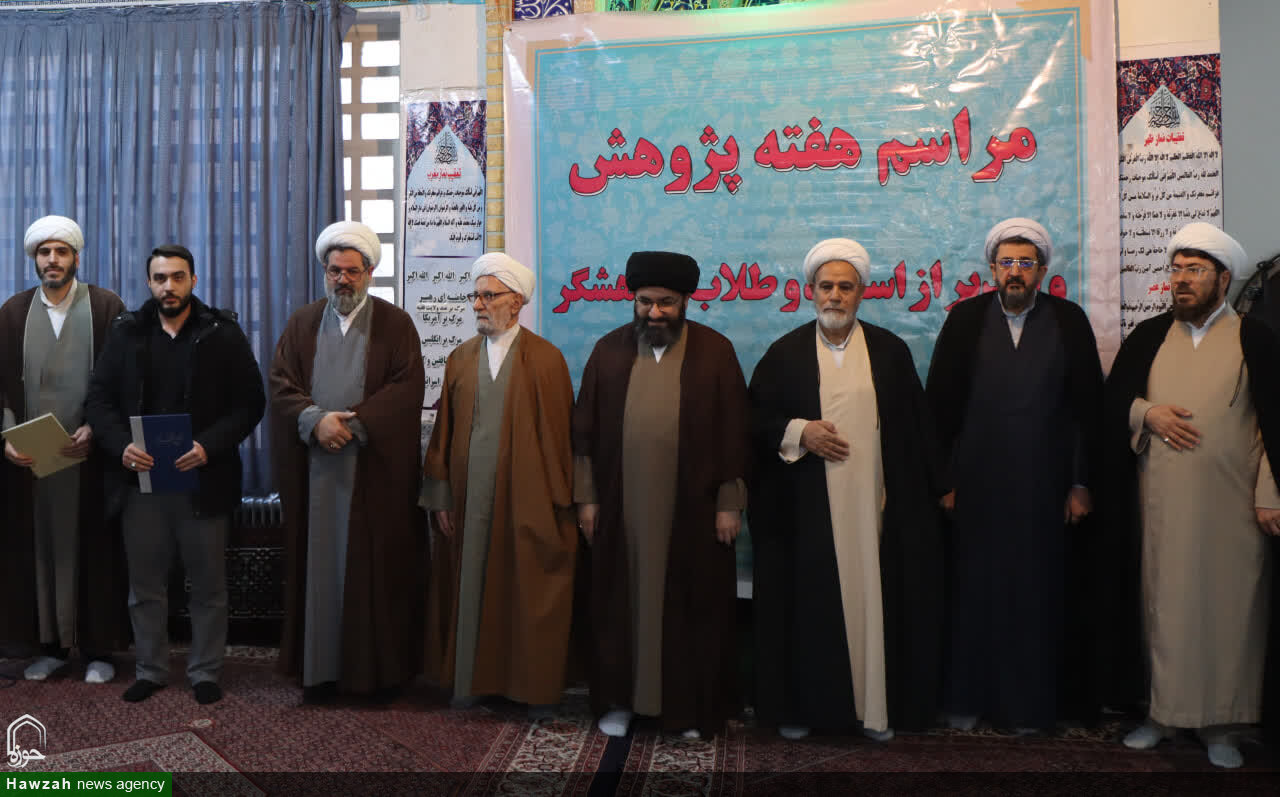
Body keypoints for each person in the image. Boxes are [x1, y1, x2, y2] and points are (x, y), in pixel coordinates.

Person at [748, 238, 944, 742]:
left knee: (877, 603)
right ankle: (804, 710)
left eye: (845, 287)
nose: (834, 296)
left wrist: (939, 488)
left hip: (876, 512)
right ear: (810, 291)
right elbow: (754, 421)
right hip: (807, 513)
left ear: (861, 293)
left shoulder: (889, 352)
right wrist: (799, 432)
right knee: (808, 606)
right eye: (826, 287)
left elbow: (918, 430)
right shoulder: (785, 353)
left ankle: (873, 710)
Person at [1105, 222, 1280, 768]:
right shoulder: (1150, 336)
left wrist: (1270, 493)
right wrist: (1147, 413)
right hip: (1162, 505)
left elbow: (1274, 424)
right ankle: (1161, 716)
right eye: (1176, 270)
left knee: (1230, 613)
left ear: (1223, 279)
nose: (1181, 280)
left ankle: (1221, 725)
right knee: (1165, 609)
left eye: (1195, 270)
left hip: (1234, 510)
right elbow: (1110, 402)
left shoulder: (1255, 338)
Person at [925, 218, 1103, 733]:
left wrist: (1080, 484)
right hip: (976, 489)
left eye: (1026, 263)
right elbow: (940, 408)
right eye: (1007, 262)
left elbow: (1086, 412)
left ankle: (1028, 708)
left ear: (1042, 271)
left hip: (1044, 490)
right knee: (974, 593)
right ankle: (967, 699)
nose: (1016, 272)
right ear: (992, 269)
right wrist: (945, 483)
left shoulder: (1069, 321)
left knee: (1035, 597)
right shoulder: (966, 320)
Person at [573, 250, 749, 739]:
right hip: (620, 511)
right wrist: (587, 499)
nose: (655, 312)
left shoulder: (715, 352)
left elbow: (734, 433)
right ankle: (619, 703)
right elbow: (584, 432)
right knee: (617, 607)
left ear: (685, 301)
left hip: (693, 512)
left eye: (666, 302)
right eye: (645, 301)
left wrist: (729, 503)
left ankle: (686, 710)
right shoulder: (608, 351)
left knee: (693, 609)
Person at [85, 244, 264, 704]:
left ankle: (205, 672)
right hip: (140, 484)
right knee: (145, 587)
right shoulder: (126, 332)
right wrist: (121, 446)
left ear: (193, 281)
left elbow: (250, 403)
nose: (169, 286)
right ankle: (150, 669)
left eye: (178, 277)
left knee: (208, 587)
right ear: (149, 282)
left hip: (204, 480)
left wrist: (208, 446)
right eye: (160, 278)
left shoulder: (221, 332)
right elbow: (98, 401)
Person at [270, 221, 425, 701]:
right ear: (325, 271)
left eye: (352, 271)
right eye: (334, 271)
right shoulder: (301, 323)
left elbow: (405, 389)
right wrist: (315, 421)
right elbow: (280, 384)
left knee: (371, 574)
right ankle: (319, 674)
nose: (343, 280)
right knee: (317, 573)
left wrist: (351, 425)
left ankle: (369, 678)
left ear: (370, 272)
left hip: (371, 474)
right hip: (314, 472)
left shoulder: (396, 325)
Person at [422, 253, 577, 717]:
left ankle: (532, 691)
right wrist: (441, 496)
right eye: (475, 295)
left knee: (527, 589)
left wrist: (558, 507)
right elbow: (443, 434)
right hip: (469, 501)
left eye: (489, 296)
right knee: (470, 585)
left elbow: (561, 441)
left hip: (528, 502)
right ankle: (471, 682)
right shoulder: (459, 359)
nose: (478, 305)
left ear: (517, 302)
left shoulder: (547, 360)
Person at [0, 215, 127, 683]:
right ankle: (49, 647)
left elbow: (125, 380)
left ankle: (98, 651)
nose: (52, 260)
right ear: (34, 259)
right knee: (39, 551)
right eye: (44, 252)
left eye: (61, 251)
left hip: (90, 458)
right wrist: (8, 436)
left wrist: (97, 427)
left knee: (94, 549)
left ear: (76, 256)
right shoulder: (12, 313)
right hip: (32, 460)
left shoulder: (106, 307)